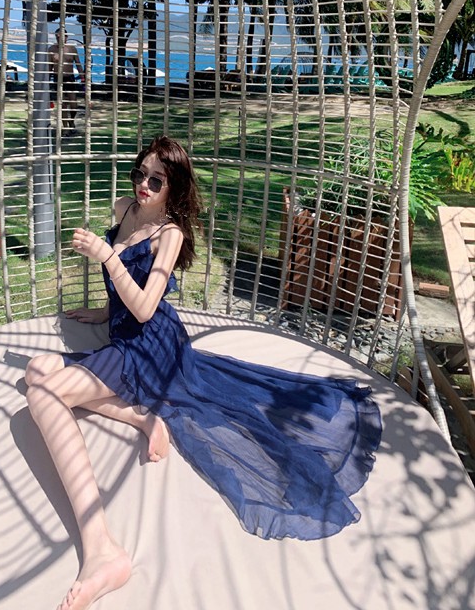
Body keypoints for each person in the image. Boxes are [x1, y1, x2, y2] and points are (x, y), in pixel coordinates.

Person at [24, 135, 382, 610]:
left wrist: (107, 257)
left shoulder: (169, 235)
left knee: (44, 394)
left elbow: (146, 307)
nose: (145, 185)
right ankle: (141, 417)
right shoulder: (124, 209)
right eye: (140, 174)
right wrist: (103, 311)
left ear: (174, 187)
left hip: (151, 347)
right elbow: (121, 292)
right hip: (123, 336)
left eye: (157, 180)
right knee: (36, 371)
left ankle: (103, 550)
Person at [49, 28, 84, 136]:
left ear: (66, 37)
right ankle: (65, 128)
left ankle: (71, 121)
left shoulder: (72, 49)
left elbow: (78, 64)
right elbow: (49, 67)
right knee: (62, 104)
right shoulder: (51, 49)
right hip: (58, 78)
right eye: (57, 36)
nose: (59, 38)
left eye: (62, 36)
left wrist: (83, 77)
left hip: (70, 78)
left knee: (74, 104)